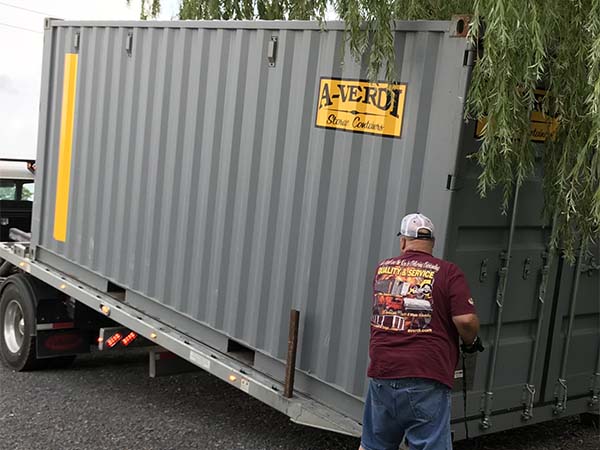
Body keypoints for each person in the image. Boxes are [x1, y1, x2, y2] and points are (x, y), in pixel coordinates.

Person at [360, 213, 481, 450]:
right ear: (432, 242)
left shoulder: (383, 269)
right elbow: (466, 321)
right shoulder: (448, 272)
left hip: (383, 373)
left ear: (403, 241)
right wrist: (470, 342)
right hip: (426, 376)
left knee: (373, 446)